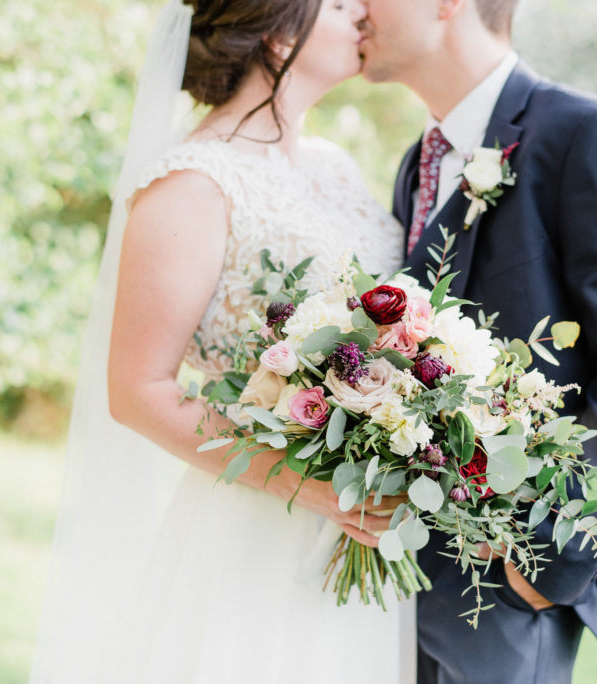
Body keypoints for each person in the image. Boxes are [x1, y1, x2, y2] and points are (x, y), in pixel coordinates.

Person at [30, 1, 415, 682]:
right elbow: (138, 391)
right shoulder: (192, 183)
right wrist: (310, 487)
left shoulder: (336, 168)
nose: (362, 9)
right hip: (255, 526)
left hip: (360, 530)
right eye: (337, 2)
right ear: (277, 31)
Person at [358, 0, 597, 682]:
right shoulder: (419, 162)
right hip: (404, 569)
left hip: (508, 581)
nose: (354, 8)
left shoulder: (587, 133)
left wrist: (551, 552)